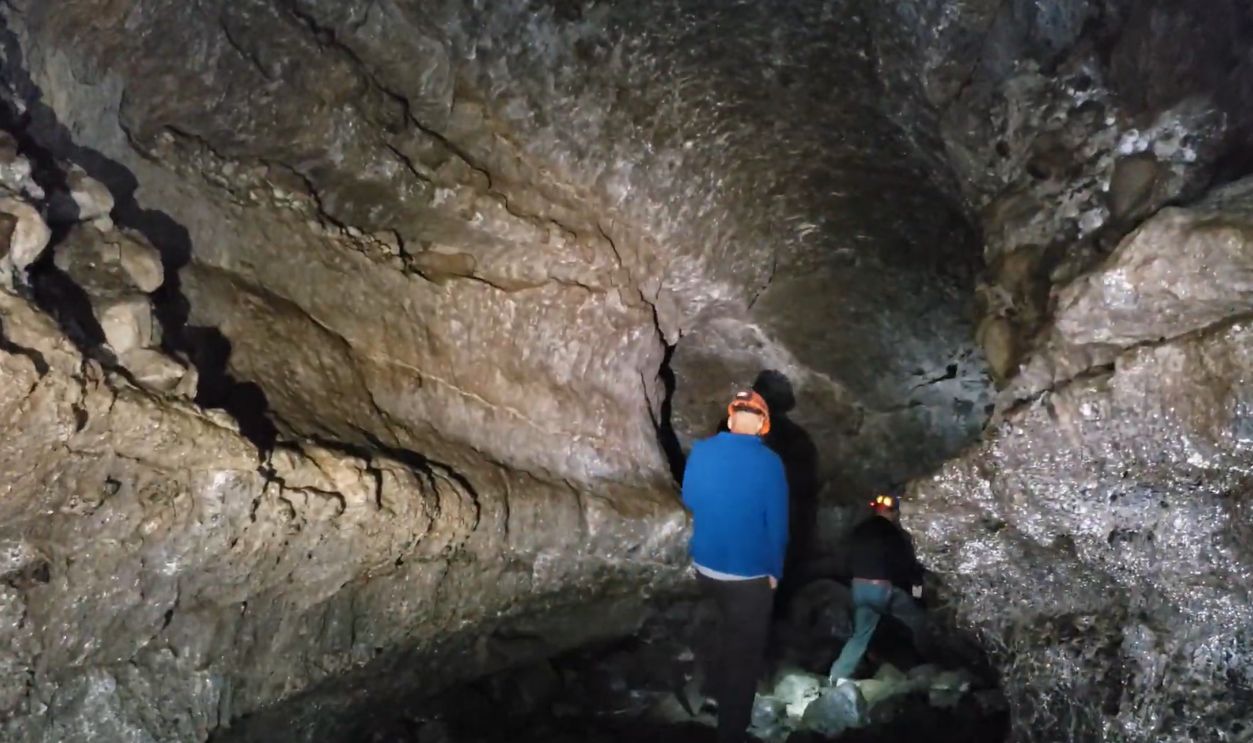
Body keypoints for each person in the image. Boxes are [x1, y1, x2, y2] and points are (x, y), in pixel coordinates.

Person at [682, 389, 789, 743]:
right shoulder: (771, 462)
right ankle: (730, 730)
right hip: (749, 576)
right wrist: (775, 571)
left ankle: (706, 693)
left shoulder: (700, 451)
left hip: (706, 568)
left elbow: (690, 501)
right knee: (743, 654)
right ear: (761, 424)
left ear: (730, 420)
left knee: (717, 633)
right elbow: (777, 524)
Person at [828, 492, 931, 682]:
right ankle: (929, 664)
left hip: (859, 588)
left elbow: (844, 560)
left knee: (861, 635)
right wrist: (917, 594)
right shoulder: (892, 534)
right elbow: (907, 566)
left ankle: (837, 675)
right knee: (918, 619)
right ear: (893, 514)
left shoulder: (858, 531)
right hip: (881, 589)